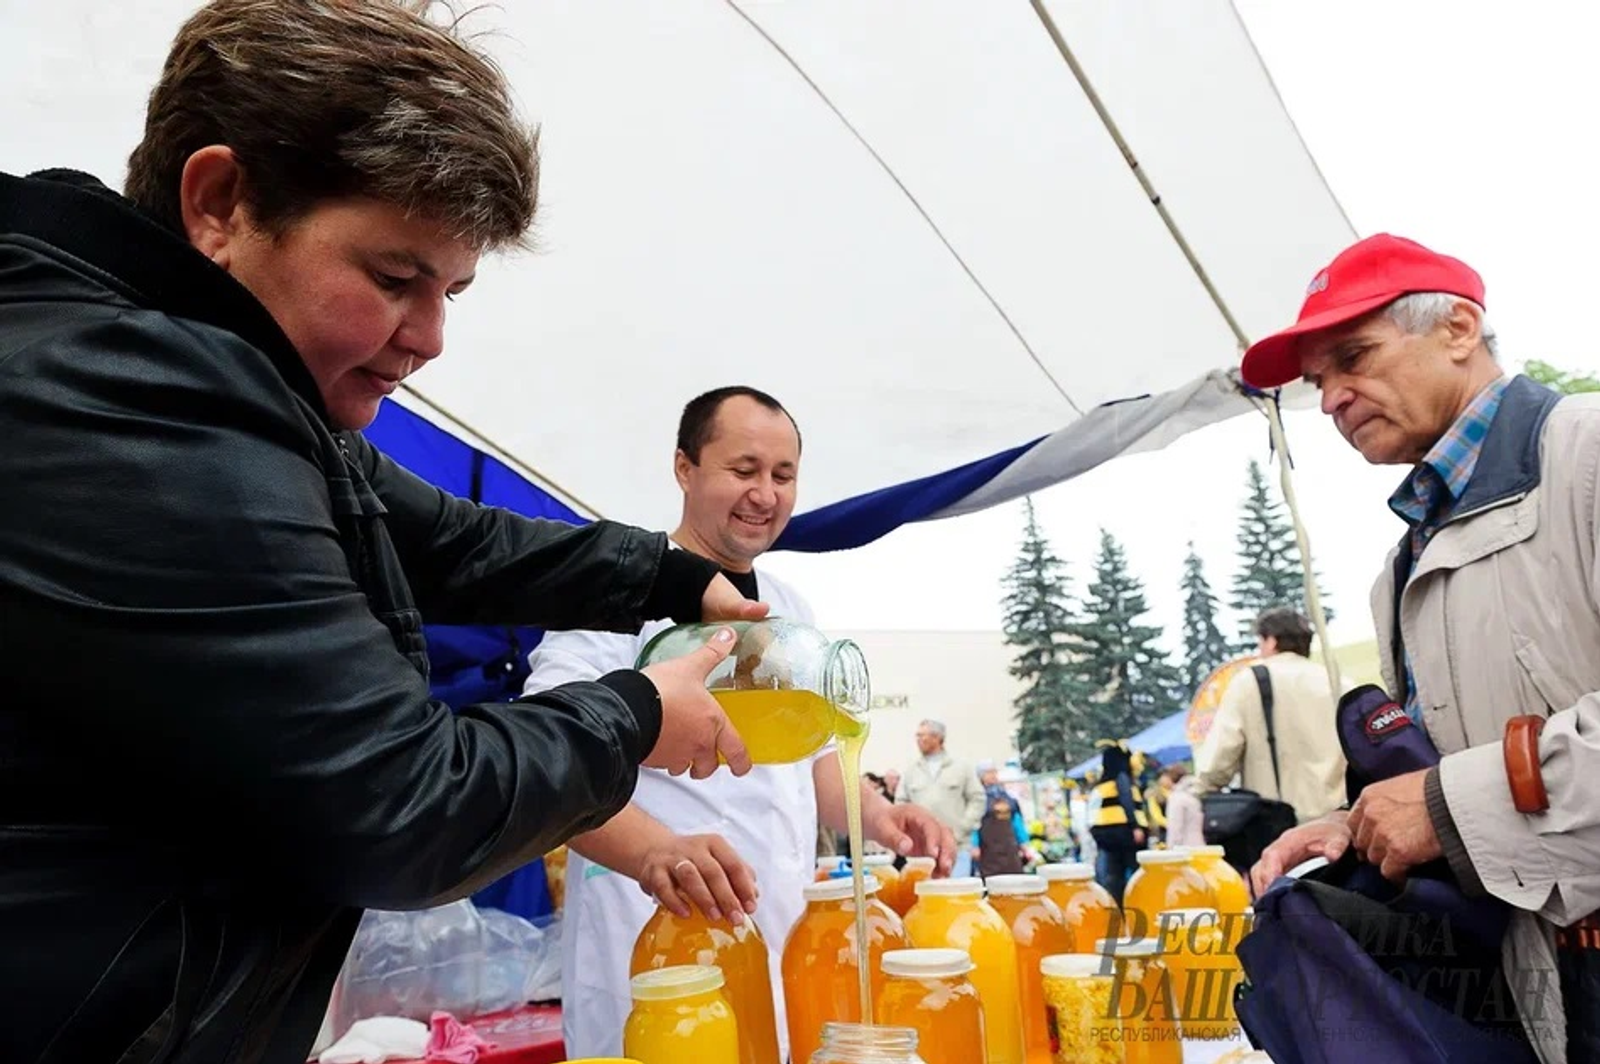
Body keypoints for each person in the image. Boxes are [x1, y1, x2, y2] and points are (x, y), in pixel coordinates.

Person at [0, 6, 773, 1062]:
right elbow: (403, 805)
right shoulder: (125, 394)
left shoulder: (243, 389)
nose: (431, 337)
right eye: (395, 278)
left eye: (452, 291)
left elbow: (451, 541)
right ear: (220, 201)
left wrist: (675, 576)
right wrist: (635, 713)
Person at [1241, 232, 1600, 1061]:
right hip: (1544, 996)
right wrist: (1359, 822)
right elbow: (1455, 776)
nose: (1331, 397)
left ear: (1459, 328)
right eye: (1318, 380)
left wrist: (1440, 807)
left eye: (1354, 356)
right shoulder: (1400, 569)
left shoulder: (1585, 455)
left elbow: (1456, 795)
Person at [523, 386, 956, 1060]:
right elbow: (549, 756)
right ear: (684, 468)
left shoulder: (791, 609)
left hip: (780, 931)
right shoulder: (613, 591)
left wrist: (880, 817)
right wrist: (656, 852)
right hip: (655, 938)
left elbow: (815, 762)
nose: (766, 494)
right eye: (743, 469)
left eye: (783, 476)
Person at [1193, 608, 1347, 825]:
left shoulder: (1250, 682)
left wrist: (1198, 790)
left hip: (1277, 827)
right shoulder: (1338, 682)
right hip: (1339, 824)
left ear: (1271, 641)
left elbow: (1219, 760)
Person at [897, 719, 987, 876]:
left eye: (922, 736)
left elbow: (977, 799)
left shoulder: (961, 767)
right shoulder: (911, 771)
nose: (918, 740)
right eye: (917, 736)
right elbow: (901, 805)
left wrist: (962, 827)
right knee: (928, 898)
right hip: (922, 853)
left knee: (956, 897)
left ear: (937, 737)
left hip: (957, 848)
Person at [1089, 740, 1147, 901]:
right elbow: (1126, 801)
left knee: (1113, 876)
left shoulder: (1102, 785)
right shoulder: (1122, 779)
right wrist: (1135, 826)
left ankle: (1117, 907)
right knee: (1136, 873)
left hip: (1105, 835)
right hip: (1125, 833)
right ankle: (1137, 903)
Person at [1162, 765, 1206, 849]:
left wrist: (1171, 848)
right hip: (1199, 845)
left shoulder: (1176, 798)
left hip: (1184, 849)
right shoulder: (1193, 795)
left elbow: (1175, 828)